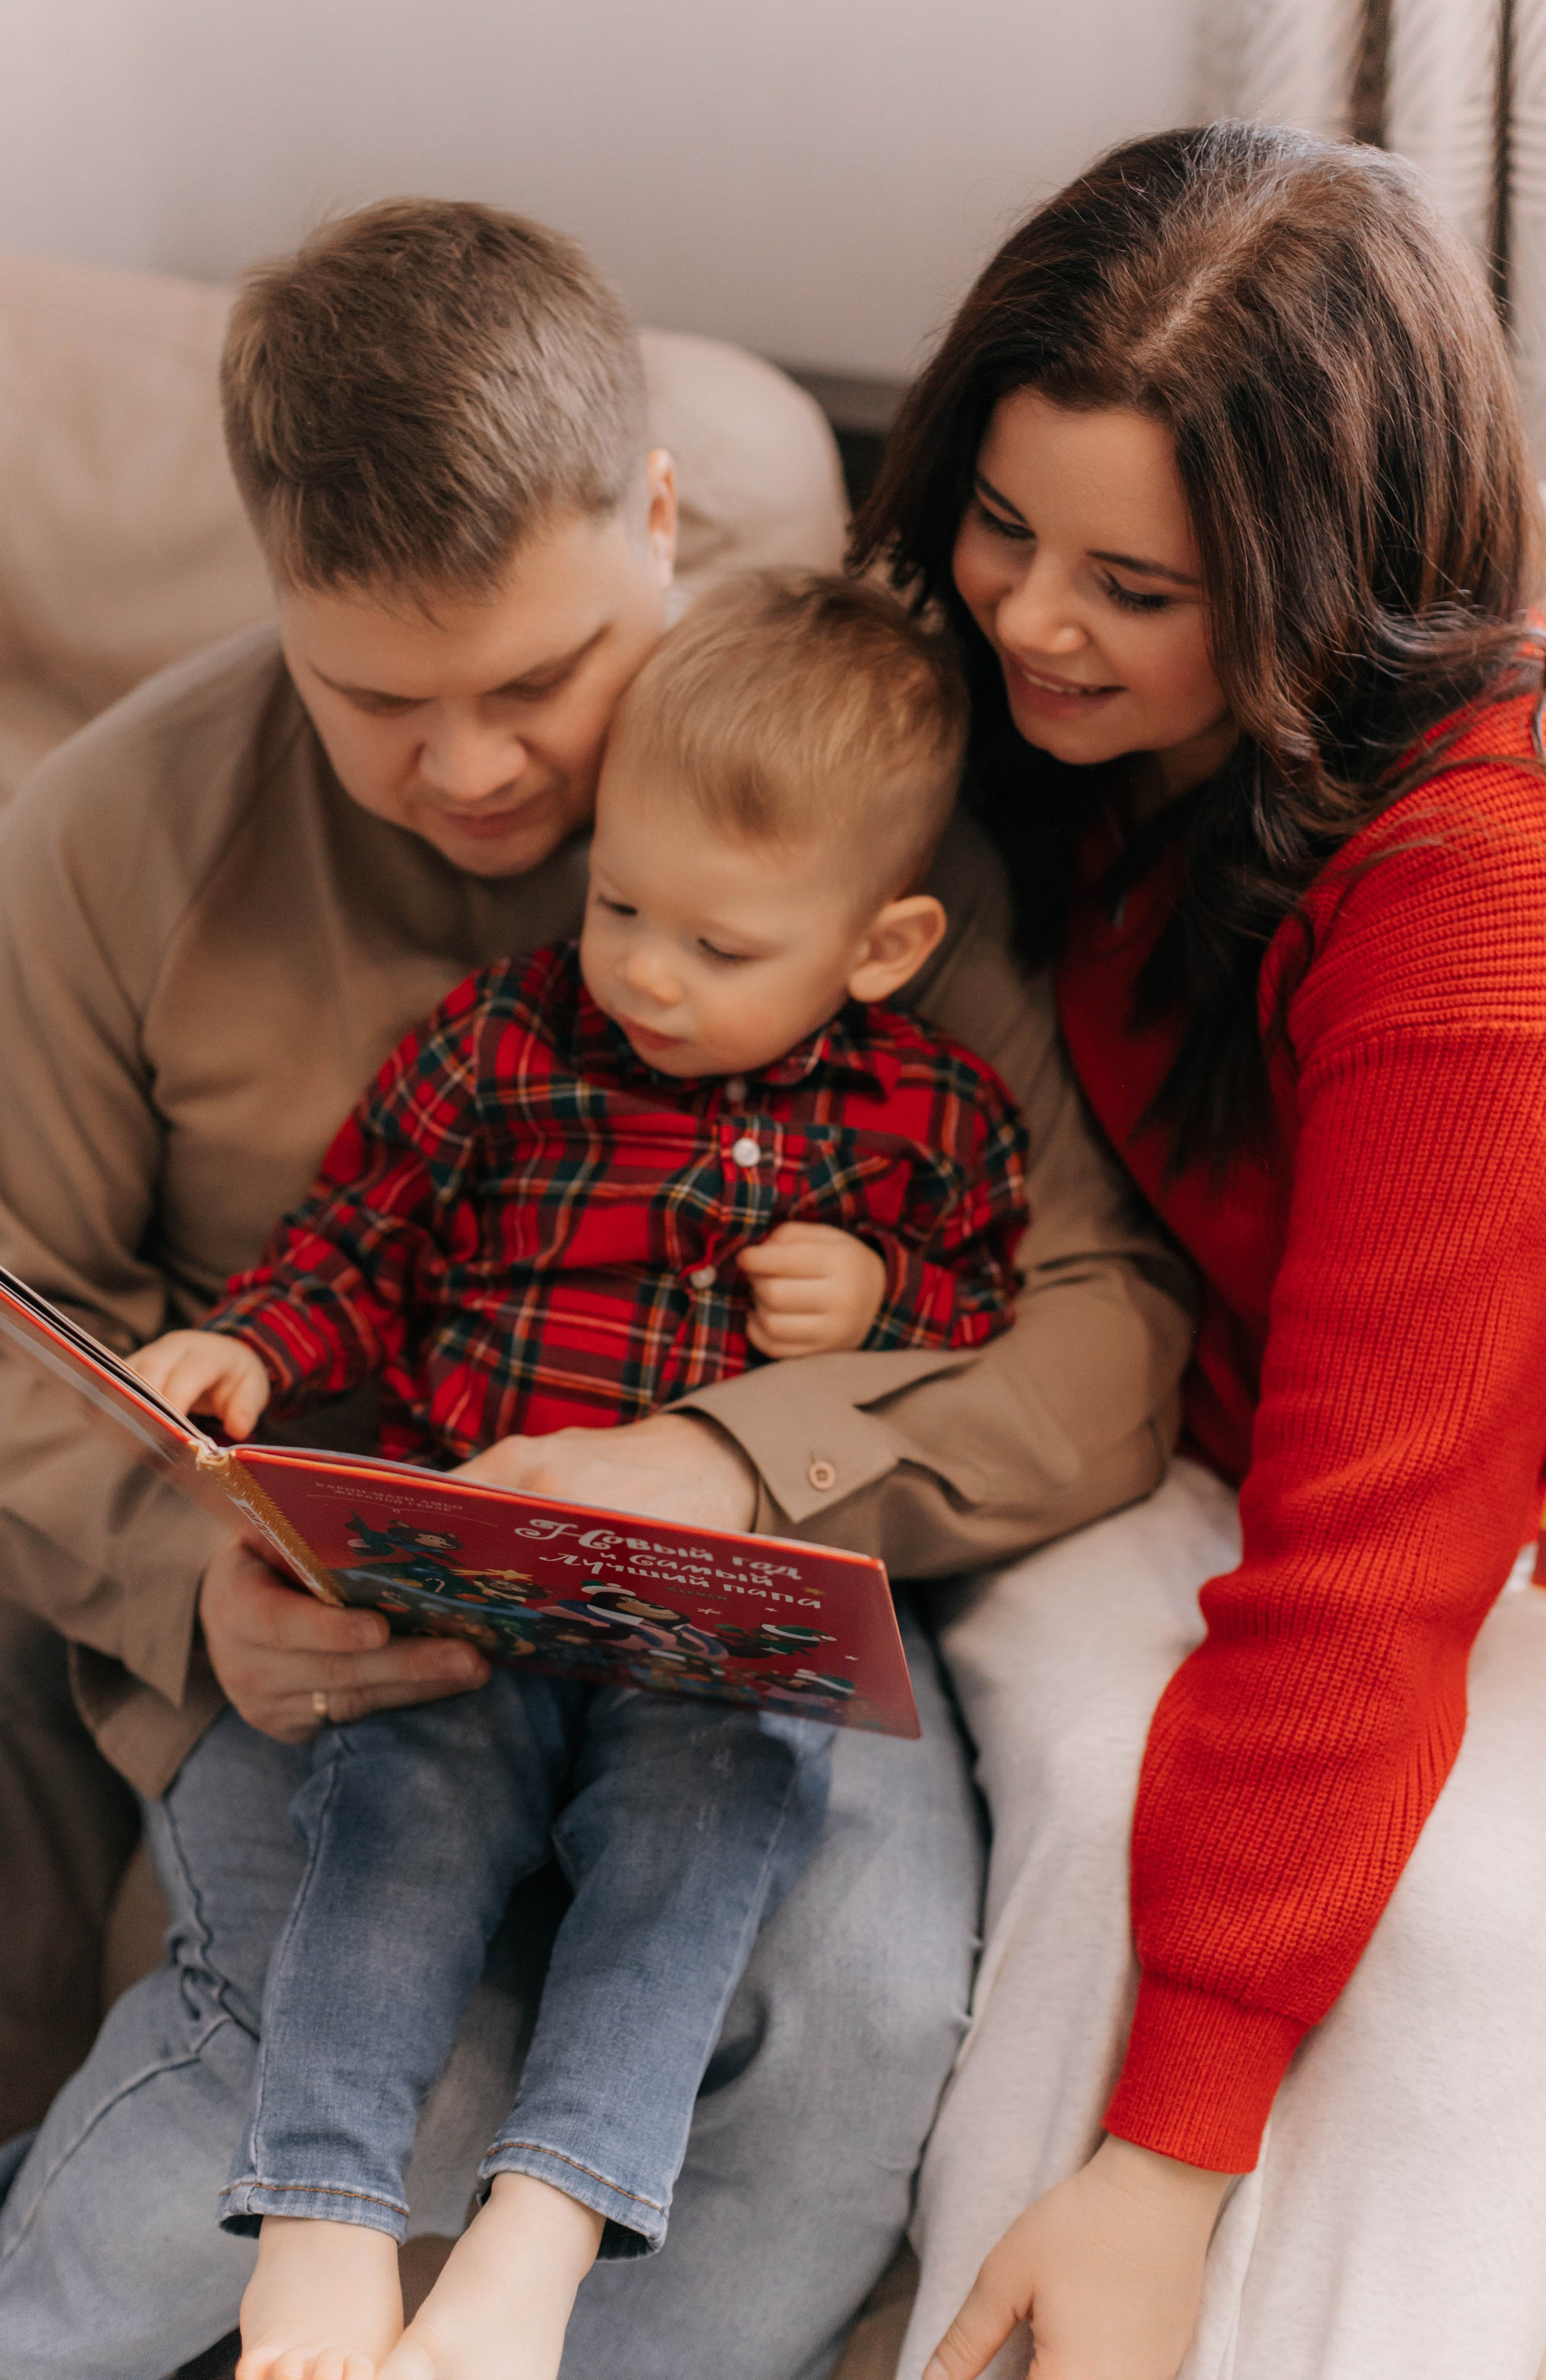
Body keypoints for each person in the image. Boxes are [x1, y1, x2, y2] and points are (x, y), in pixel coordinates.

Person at [0, 199, 1192, 2380]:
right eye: (378, 701)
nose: (477, 768)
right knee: (395, 2029)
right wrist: (193, 1585)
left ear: (661, 525)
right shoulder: (111, 839)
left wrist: (729, 1455)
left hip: (765, 1598)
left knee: (861, 2015)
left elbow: (1103, 1317)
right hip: (353, 1617)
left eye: (539, 680)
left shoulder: (854, 809)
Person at [125, 570, 1027, 2380]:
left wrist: (883, 1295)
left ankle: (541, 2232)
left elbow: (989, 1312)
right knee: (399, 1813)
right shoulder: (503, 1046)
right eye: (619, 903)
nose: (647, 972)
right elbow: (355, 1241)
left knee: (710, 1843)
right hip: (485, 1560)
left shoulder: (925, 1117)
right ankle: (320, 2212)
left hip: (709, 1623)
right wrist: (258, 1345)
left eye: (719, 944)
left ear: (881, 946)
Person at [843, 121, 1546, 2379]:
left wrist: (1167, 2158)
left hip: (1458, 1515)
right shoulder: (1025, 714)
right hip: (1211, 1440)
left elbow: (1380, 1556)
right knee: (1083, 1782)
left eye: (1137, 592)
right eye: (1006, 530)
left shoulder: (1468, 908)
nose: (1037, 620)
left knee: (1423, 1980)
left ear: (1338, 588)